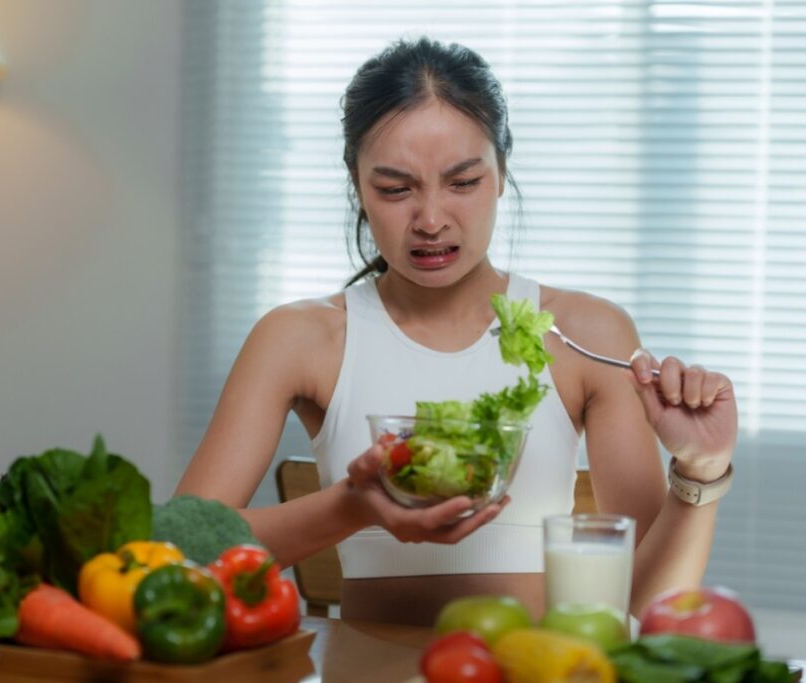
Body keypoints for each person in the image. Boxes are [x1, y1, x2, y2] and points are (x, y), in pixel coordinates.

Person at [175, 37, 737, 626]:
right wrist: (353, 507)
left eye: (463, 182)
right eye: (395, 189)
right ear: (358, 187)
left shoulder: (585, 334)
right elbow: (177, 550)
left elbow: (646, 608)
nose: (432, 220)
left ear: (501, 173)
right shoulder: (301, 339)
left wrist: (701, 470)